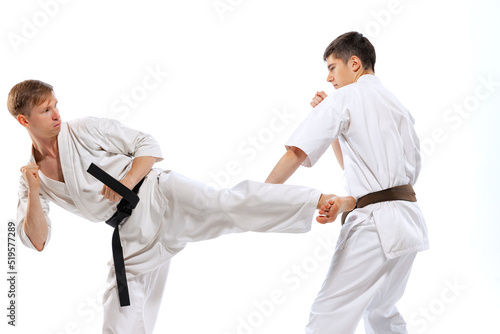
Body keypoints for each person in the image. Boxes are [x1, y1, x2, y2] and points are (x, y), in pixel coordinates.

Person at [8, 79, 356, 334]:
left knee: (227, 204)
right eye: (45, 110)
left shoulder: (83, 130)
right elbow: (36, 241)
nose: (56, 114)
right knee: (119, 311)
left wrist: (126, 182)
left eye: (55, 104)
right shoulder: (30, 178)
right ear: (24, 121)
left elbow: (149, 145)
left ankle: (316, 200)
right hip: (131, 235)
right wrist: (36, 191)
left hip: (161, 193)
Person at [265, 31, 429, 334]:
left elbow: (297, 151)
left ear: (354, 63)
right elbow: (361, 169)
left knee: (328, 315)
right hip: (408, 223)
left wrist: (261, 195)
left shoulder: (346, 97)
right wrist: (334, 121)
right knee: (380, 311)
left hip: (375, 226)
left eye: (331, 67)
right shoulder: (395, 104)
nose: (329, 78)